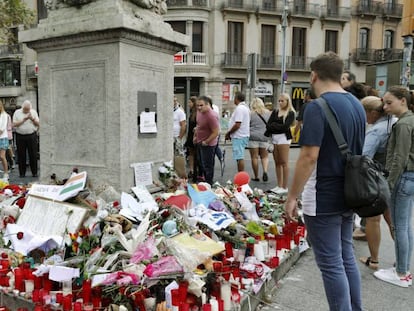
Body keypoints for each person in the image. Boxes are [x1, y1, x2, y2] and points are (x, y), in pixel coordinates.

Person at [285, 52, 365, 310]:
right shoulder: (356, 104)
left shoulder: (317, 107)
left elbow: (308, 157)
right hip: (351, 192)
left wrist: (292, 196)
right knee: (346, 257)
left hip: (323, 195)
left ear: (314, 75)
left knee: (331, 264)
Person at [374, 86, 414, 288]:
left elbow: (400, 157)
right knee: (405, 226)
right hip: (409, 177)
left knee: (400, 227)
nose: (385, 107)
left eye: (389, 102)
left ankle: (401, 272)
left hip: (404, 177)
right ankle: (403, 268)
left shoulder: (404, 124)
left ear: (403, 101)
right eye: (384, 102)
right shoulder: (408, 121)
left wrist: (389, 184)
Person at [358, 96, 396, 270]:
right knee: (394, 221)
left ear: (373, 113)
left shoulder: (376, 130)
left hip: (377, 179)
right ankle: (401, 257)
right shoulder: (395, 121)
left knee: (373, 219)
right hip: (393, 177)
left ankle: (374, 260)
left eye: (364, 113)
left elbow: (365, 157)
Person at [266, 93, 296, 194]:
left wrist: (274, 125)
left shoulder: (290, 113)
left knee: (284, 162)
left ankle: (284, 186)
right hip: (274, 138)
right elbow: (268, 125)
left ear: (287, 101)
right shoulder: (275, 111)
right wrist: (276, 125)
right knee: (277, 162)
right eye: (279, 101)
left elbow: (285, 127)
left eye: (282, 101)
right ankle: (279, 185)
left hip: (284, 138)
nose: (280, 102)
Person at [194, 96, 220, 185]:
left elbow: (216, 132)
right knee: (201, 163)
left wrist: (206, 141)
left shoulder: (211, 116)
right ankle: (204, 181)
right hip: (199, 141)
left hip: (208, 144)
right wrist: (195, 136)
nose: (199, 107)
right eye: (197, 105)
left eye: (201, 105)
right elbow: (198, 125)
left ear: (207, 104)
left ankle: (209, 183)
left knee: (208, 166)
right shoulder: (199, 112)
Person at [13, 100, 39, 178]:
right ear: (22, 107)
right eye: (25, 109)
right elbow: (14, 124)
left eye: (28, 110)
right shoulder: (17, 112)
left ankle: (34, 172)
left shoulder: (33, 112)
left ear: (30, 108)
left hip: (31, 135)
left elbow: (38, 124)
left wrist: (32, 119)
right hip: (20, 135)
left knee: (33, 154)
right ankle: (22, 173)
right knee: (21, 154)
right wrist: (24, 119)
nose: (26, 111)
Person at [225, 92, 250, 172]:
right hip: (242, 135)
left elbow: (237, 124)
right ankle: (240, 174)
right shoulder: (245, 108)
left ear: (236, 98)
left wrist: (229, 132)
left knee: (239, 157)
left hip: (239, 135)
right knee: (239, 156)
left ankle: (241, 174)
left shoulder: (240, 109)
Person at [248, 98, 271, 182]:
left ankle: (256, 176)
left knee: (254, 157)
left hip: (253, 136)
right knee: (264, 157)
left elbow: (247, 124)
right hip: (264, 136)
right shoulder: (268, 113)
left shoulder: (250, 113)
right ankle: (265, 171)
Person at [173, 96, 187, 177]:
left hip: (177, 136)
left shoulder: (180, 112)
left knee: (179, 156)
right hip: (171, 137)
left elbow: (183, 125)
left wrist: (179, 137)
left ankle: (181, 174)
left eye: (174, 101)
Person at [185, 96, 198, 181]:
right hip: (190, 135)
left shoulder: (197, 113)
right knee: (191, 154)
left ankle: (195, 171)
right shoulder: (191, 112)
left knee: (195, 154)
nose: (188, 104)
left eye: (190, 102)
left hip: (195, 135)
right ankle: (191, 170)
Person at [0, 101, 9, 181]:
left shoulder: (4, 115)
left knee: (2, 156)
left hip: (2, 138)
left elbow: (2, 128)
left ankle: (6, 173)